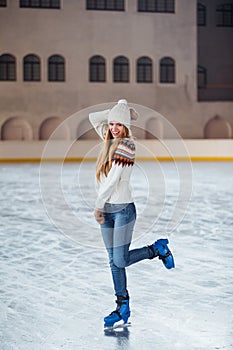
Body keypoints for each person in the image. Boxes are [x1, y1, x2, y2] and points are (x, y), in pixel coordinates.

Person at [89, 99, 175, 328]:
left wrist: (98, 204)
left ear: (126, 126)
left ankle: (156, 249)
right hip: (107, 211)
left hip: (122, 211)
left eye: (119, 124)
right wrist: (116, 111)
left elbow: (112, 179)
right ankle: (122, 307)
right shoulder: (109, 141)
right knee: (113, 262)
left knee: (120, 259)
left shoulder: (127, 146)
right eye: (111, 124)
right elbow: (92, 119)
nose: (114, 128)